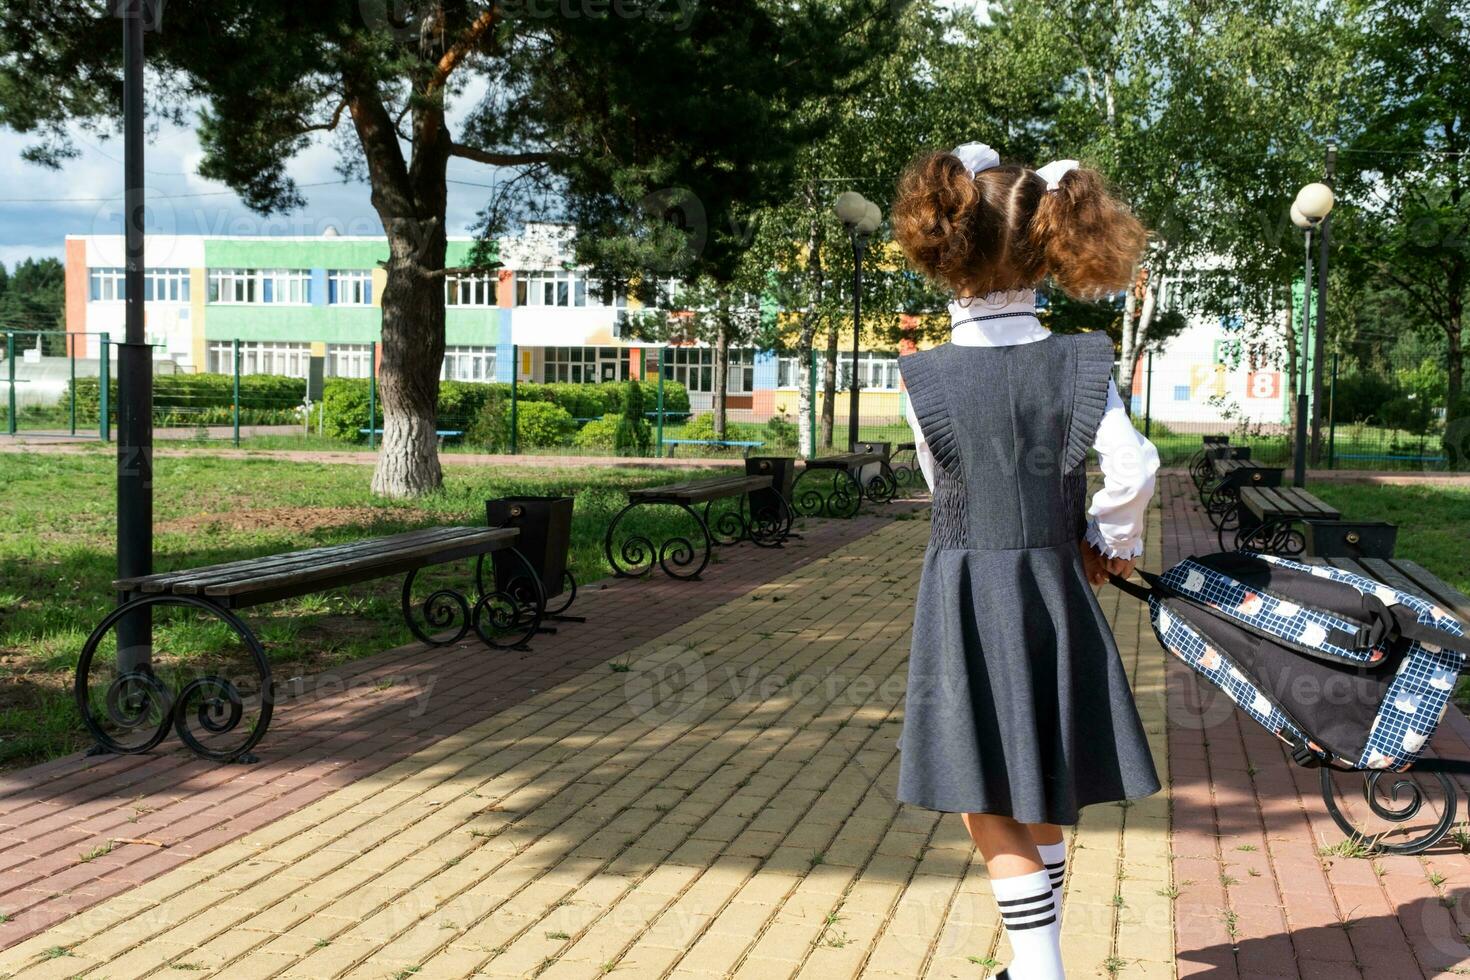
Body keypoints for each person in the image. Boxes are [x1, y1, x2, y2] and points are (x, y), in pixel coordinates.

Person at [890, 141, 1161, 980]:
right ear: (1048, 247)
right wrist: (1106, 546)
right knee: (1040, 777)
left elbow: (946, 482)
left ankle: (1040, 971)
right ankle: (1033, 962)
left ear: (948, 251)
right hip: (1052, 587)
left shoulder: (921, 376)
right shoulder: (1082, 360)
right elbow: (1138, 466)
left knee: (983, 797)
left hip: (967, 591)